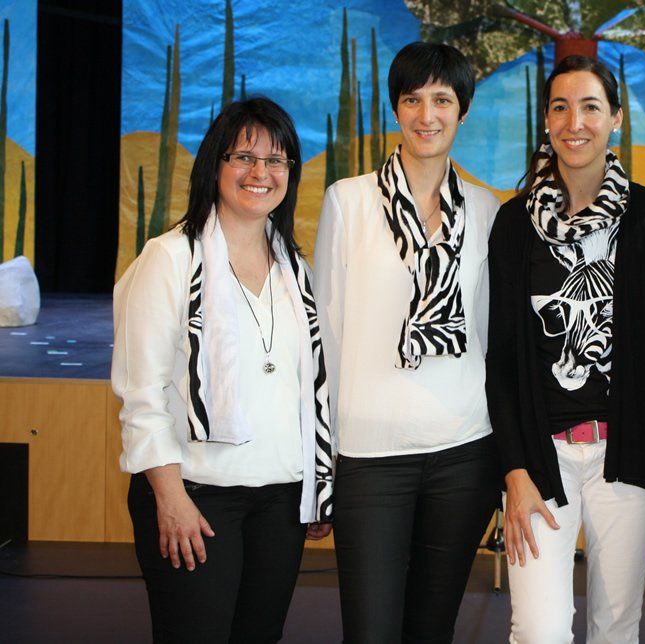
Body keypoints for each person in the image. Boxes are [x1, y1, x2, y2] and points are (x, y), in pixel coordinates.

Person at [112, 97, 333, 643]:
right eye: (244, 157)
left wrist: (317, 487)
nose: (261, 173)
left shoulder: (295, 268)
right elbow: (142, 395)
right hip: (196, 496)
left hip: (281, 499)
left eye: (276, 161)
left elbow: (306, 388)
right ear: (216, 164)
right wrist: (170, 497)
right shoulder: (170, 258)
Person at [486, 55, 645, 643]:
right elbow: (500, 360)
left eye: (591, 107)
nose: (575, 122)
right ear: (546, 120)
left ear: (616, 118)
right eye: (561, 107)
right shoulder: (514, 224)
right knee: (538, 630)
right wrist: (513, 470)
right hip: (539, 459)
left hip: (628, 456)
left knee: (615, 627)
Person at [313, 41, 500, 643]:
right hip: (370, 454)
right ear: (396, 108)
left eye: (442, 99)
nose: (427, 115)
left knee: (432, 629)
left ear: (463, 109)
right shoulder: (348, 200)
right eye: (413, 99)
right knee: (370, 630)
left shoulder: (486, 209)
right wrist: (320, 461)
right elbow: (325, 334)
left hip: (464, 452)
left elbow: (492, 338)